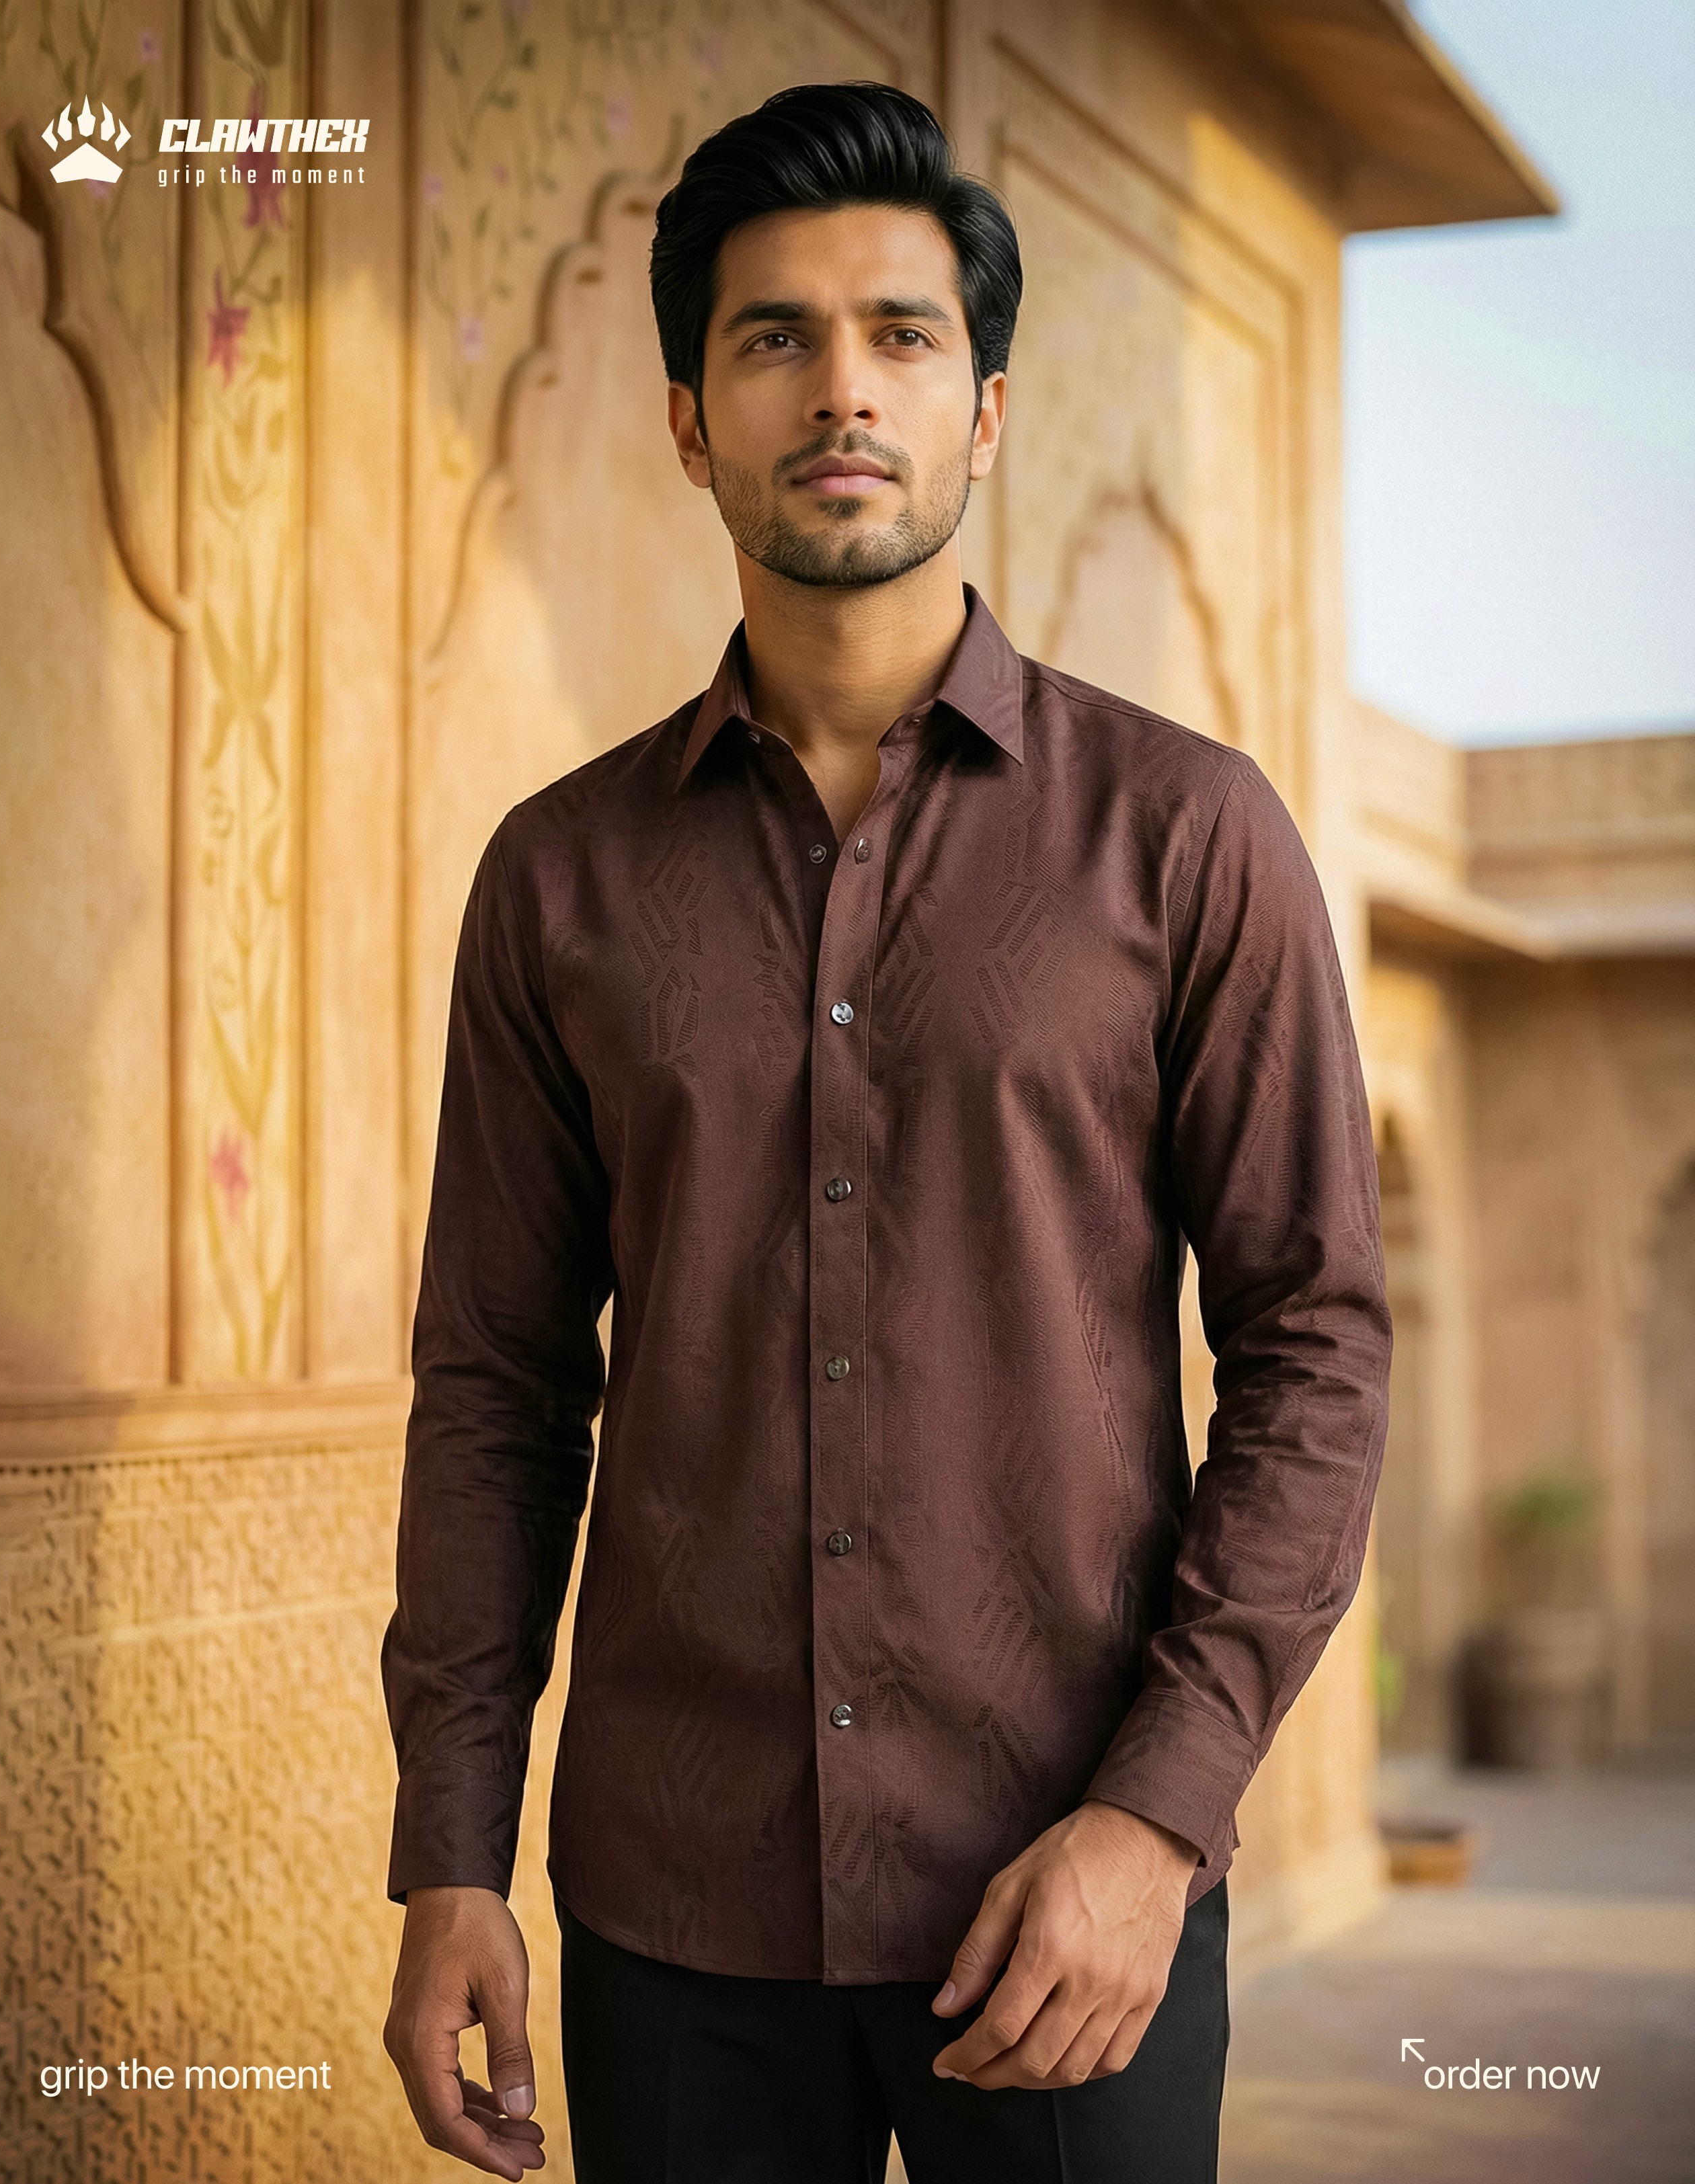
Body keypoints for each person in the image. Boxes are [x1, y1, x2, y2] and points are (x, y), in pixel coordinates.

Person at [379, 80, 1392, 2184]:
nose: (843, 390)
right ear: (689, 419)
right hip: (673, 1925)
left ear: (987, 409)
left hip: (1070, 1906)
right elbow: (493, 1388)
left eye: (902, 335)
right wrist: (450, 1847)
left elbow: (1318, 1347)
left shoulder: (1189, 840)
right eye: (774, 337)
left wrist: (1158, 1812)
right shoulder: (558, 882)